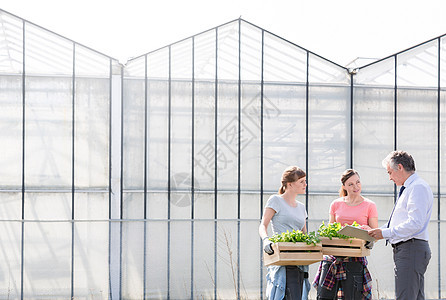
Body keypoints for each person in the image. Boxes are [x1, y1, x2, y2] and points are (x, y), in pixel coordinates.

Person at [368, 150, 433, 299]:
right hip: (410, 249)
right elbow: (400, 222)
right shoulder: (410, 188)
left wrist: (384, 233)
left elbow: (415, 223)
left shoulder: (417, 187)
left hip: (411, 248)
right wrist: (377, 231)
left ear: (400, 167)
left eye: (390, 172)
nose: (390, 178)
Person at [313, 169, 377, 299]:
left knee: (353, 297)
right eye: (351, 184)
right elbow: (330, 230)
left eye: (358, 182)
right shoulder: (336, 204)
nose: (356, 187)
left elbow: (375, 234)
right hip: (332, 258)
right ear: (344, 186)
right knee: (324, 297)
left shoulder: (369, 205)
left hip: (355, 258)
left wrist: (365, 230)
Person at [259, 166, 309, 300]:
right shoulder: (276, 200)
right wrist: (266, 240)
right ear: (290, 184)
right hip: (282, 258)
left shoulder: (301, 207)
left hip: (298, 260)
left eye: (305, 181)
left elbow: (304, 235)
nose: (305, 184)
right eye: (301, 182)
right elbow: (263, 225)